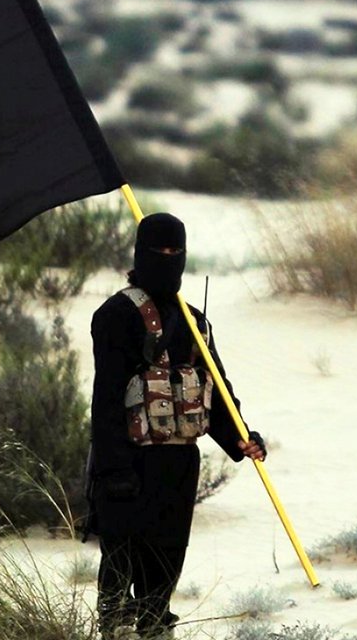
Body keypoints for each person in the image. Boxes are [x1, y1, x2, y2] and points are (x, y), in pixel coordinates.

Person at [86, 212, 266, 639]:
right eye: (158, 253)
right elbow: (106, 399)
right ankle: (112, 629)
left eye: (175, 253)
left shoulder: (195, 320)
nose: (168, 261)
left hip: (179, 462)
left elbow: (218, 391)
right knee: (120, 560)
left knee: (165, 561)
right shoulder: (115, 315)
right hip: (127, 462)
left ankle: (155, 625)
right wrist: (113, 470)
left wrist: (242, 439)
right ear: (139, 254)